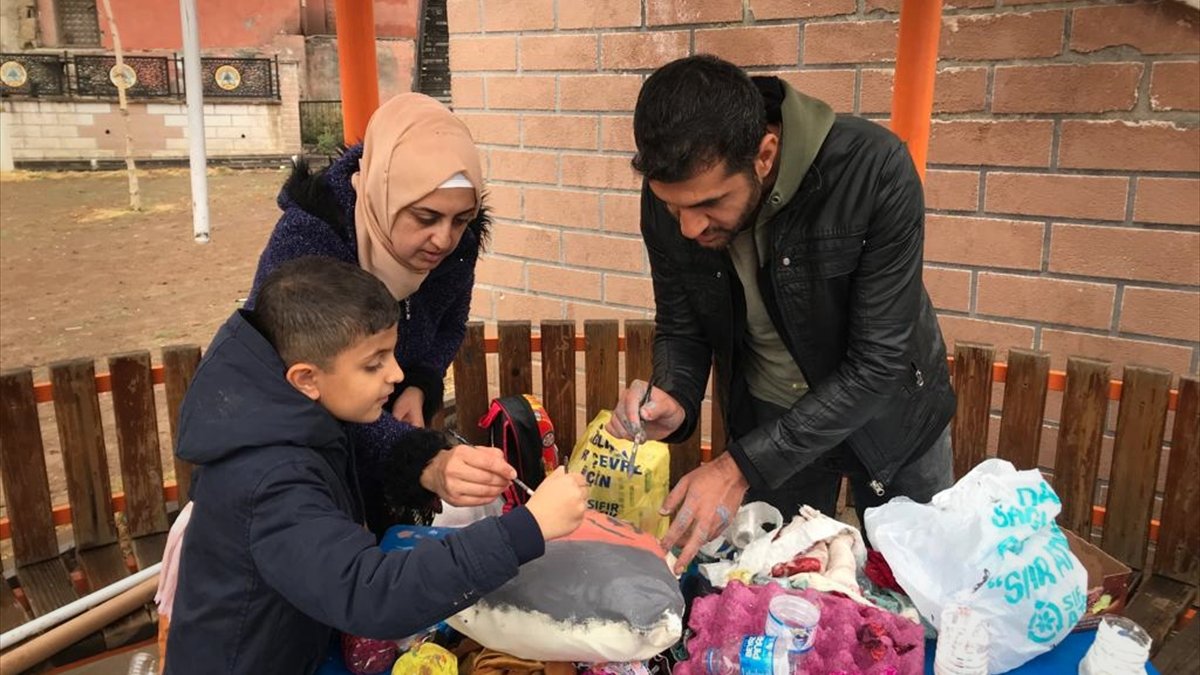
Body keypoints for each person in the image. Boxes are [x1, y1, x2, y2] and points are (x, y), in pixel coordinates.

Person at [607, 55, 957, 572]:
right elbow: (682, 324)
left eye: (709, 203)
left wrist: (739, 466)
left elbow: (878, 361)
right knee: (779, 587)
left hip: (893, 421)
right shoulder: (674, 193)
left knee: (919, 587)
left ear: (765, 155)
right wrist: (676, 395)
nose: (687, 226)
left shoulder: (874, 168)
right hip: (769, 416)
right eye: (673, 207)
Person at [165, 257, 589, 674]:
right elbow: (369, 593)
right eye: (374, 363)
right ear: (306, 379)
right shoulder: (271, 477)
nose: (396, 373)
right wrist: (527, 528)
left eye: (392, 354)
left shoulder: (290, 413)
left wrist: (434, 466)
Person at [250, 93, 505, 534]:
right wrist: (418, 458)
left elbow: (445, 324)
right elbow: (302, 388)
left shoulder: (456, 247)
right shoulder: (310, 242)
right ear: (384, 192)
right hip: (303, 464)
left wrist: (419, 385)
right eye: (425, 216)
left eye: (462, 219)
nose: (443, 240)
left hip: (384, 446)